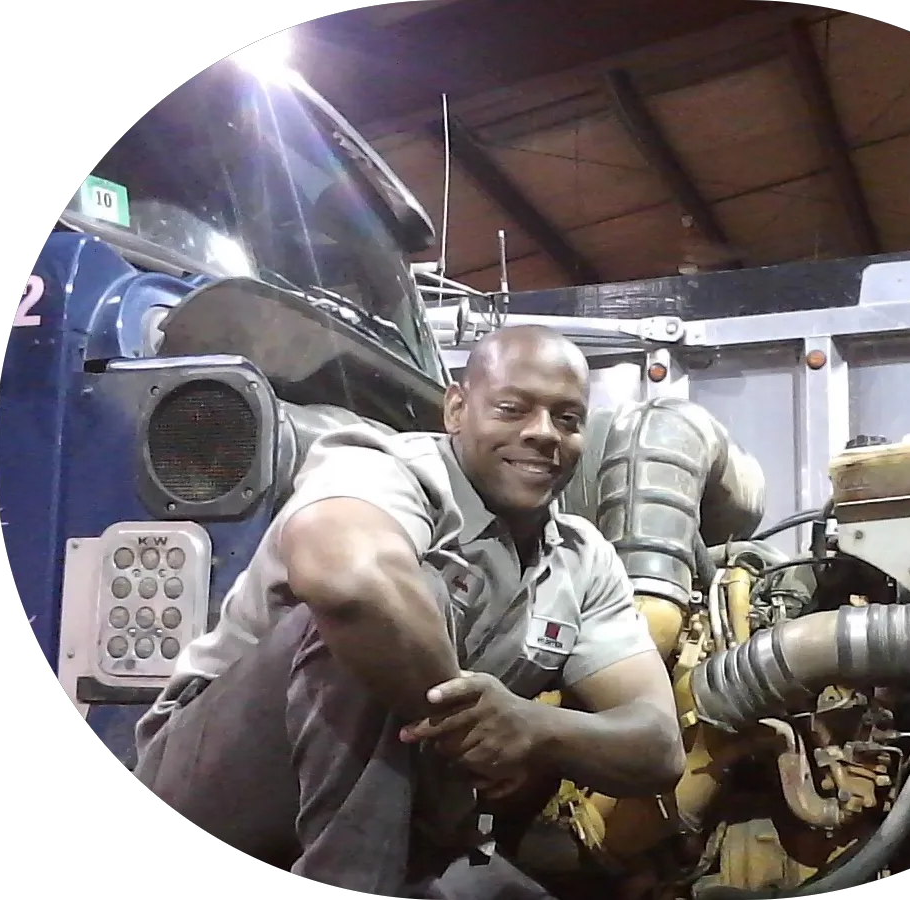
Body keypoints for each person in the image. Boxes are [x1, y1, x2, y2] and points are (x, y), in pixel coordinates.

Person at [133, 324, 686, 897]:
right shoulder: (386, 466)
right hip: (211, 786)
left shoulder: (582, 559)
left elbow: (657, 745)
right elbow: (349, 582)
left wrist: (533, 727)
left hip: (417, 816)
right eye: (512, 408)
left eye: (567, 418)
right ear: (456, 409)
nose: (543, 433)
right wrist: (471, 738)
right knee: (392, 605)